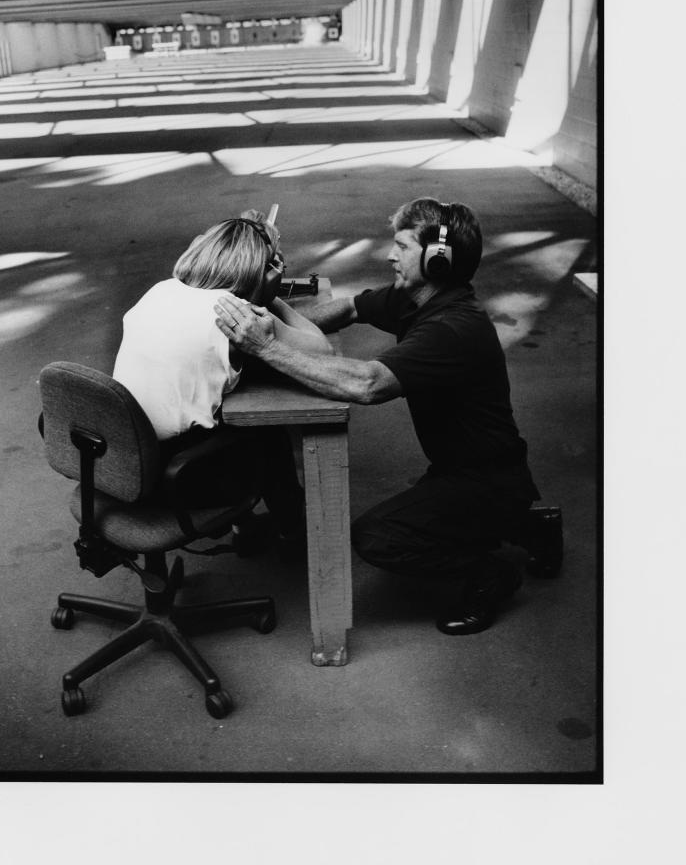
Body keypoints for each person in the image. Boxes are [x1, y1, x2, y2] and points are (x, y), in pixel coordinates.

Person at [214, 196, 547, 635]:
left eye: (403, 246)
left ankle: (490, 574)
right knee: (423, 511)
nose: (391, 254)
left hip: (484, 480)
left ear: (439, 259)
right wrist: (282, 323)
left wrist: (267, 347)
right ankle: (527, 527)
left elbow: (366, 384)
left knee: (377, 537)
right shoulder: (418, 297)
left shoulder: (452, 328)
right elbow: (351, 308)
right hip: (464, 466)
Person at [112, 209, 332, 548]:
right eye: (276, 266)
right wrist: (272, 295)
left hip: (120, 462)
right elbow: (322, 351)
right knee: (268, 433)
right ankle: (293, 532)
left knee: (224, 408)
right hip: (180, 478)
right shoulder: (236, 313)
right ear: (266, 270)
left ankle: (245, 527)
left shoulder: (160, 290)